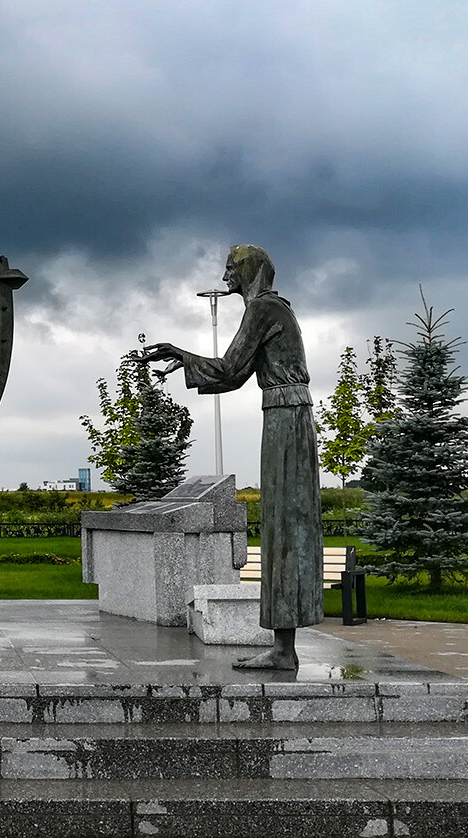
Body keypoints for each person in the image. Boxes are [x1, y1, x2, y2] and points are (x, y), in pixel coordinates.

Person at [135, 245, 323, 670]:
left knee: (285, 527)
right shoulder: (270, 309)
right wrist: (184, 357)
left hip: (287, 418)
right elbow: (235, 375)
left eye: (230, 269)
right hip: (282, 414)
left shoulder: (263, 310)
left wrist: (182, 355)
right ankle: (282, 648)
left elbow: (229, 368)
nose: (224, 277)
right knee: (281, 525)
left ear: (249, 271)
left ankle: (283, 650)